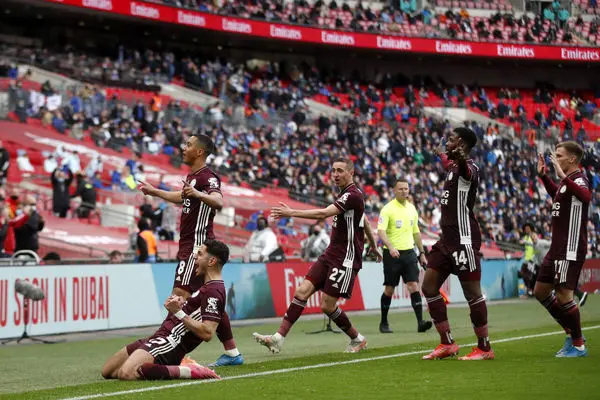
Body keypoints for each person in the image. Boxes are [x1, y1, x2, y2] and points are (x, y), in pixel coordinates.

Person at [253, 158, 382, 354]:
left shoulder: (353, 195)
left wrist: (291, 212)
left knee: (327, 306)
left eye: (340, 170)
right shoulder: (345, 194)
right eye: (333, 170)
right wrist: (372, 245)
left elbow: (323, 214)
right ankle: (277, 339)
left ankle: (357, 338)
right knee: (301, 292)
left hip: (345, 258)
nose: (335, 174)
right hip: (330, 253)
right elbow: (363, 220)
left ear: (351, 173)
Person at [138, 134, 243, 367]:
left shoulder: (208, 177)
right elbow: (183, 197)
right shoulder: (193, 177)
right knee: (211, 300)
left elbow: (218, 201)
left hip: (197, 247)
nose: (183, 148)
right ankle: (232, 352)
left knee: (178, 297)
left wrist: (197, 194)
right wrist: (155, 192)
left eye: (188, 145)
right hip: (191, 246)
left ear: (199, 152)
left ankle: (161, 349)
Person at [101, 240, 228, 381]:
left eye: (200, 254)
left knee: (126, 373)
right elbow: (193, 312)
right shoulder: (207, 286)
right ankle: (166, 366)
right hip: (160, 335)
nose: (194, 257)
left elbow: (207, 332)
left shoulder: (214, 291)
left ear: (211, 261)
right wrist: (180, 305)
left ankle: (188, 370)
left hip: (171, 341)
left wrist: (178, 312)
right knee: (108, 371)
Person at [421, 127, 494, 361]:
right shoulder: (452, 166)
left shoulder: (469, 168)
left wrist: (459, 158)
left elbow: (465, 170)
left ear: (461, 143)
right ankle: (447, 343)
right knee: (429, 287)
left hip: (464, 240)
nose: (447, 142)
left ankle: (484, 348)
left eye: (451, 140)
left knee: (472, 293)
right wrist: (441, 154)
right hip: (446, 240)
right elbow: (449, 162)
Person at [534, 141, 591, 357]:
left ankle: (578, 344)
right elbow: (558, 195)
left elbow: (586, 197)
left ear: (572, 159)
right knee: (540, 291)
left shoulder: (579, 179)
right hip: (557, 248)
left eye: (559, 156)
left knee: (564, 295)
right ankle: (571, 331)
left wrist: (561, 175)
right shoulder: (567, 183)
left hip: (570, 247)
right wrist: (544, 177)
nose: (555, 159)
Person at [376, 179, 432, 334]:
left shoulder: (412, 209)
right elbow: (381, 231)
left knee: (413, 286)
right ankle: (384, 322)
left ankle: (420, 322)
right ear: (394, 190)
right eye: (400, 189)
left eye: (406, 188)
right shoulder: (387, 209)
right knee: (389, 289)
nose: (404, 191)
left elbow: (416, 232)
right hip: (392, 254)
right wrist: (391, 247)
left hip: (409, 253)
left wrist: (422, 253)